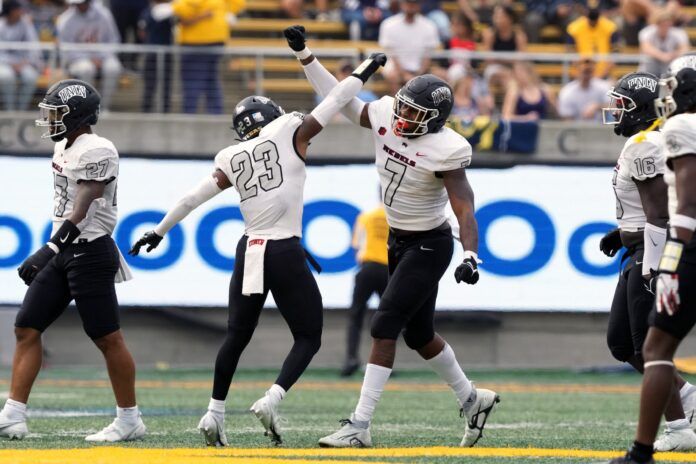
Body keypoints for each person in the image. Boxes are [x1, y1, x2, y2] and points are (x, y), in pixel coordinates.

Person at [129, 53, 386, 447]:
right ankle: (272, 397)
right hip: (282, 248)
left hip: (249, 248)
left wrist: (160, 230)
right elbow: (335, 101)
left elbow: (193, 197)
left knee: (236, 335)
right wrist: (365, 69)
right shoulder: (289, 130)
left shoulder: (230, 156)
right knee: (308, 336)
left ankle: (214, 412)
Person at [285, 25, 499, 449]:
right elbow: (341, 100)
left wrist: (471, 255)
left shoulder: (448, 149)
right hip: (398, 241)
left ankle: (360, 425)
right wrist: (306, 56)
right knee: (419, 336)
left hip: (430, 244)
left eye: (415, 114)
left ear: (435, 120)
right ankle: (473, 399)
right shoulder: (385, 113)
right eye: (402, 107)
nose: (403, 117)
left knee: (384, 324)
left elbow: (464, 206)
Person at [0, 79, 143, 442]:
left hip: (91, 252)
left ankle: (129, 419)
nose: (50, 121)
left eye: (57, 113)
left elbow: (84, 205)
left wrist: (48, 249)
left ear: (78, 115)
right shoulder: (67, 145)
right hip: (65, 250)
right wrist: (54, 249)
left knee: (107, 338)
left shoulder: (98, 148)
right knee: (27, 326)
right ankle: (13, 415)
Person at [600, 71, 696, 453]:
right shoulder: (645, 141)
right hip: (639, 247)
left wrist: (654, 268)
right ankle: (688, 399)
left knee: (646, 348)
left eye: (621, 105)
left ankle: (678, 428)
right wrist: (621, 231)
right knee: (621, 343)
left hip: (650, 253)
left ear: (640, 109)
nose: (614, 112)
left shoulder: (644, 144)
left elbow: (659, 215)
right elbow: (648, 210)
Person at [151, 0, 245, 114]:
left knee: (193, 83)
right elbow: (238, 3)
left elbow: (188, 6)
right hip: (216, 39)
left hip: (197, 42)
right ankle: (215, 114)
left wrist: (174, 8)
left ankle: (190, 115)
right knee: (211, 81)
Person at [341, 203, 389, 377]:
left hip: (368, 268)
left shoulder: (366, 216)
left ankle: (351, 359)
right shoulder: (395, 217)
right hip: (388, 271)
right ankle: (385, 363)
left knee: (356, 316)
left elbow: (357, 245)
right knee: (389, 319)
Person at [56, 0, 122, 112]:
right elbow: (65, 48)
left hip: (103, 56)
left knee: (113, 68)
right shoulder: (65, 19)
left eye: (81, 3)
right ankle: (87, 108)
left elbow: (114, 40)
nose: (79, 6)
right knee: (87, 69)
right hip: (77, 59)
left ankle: (103, 106)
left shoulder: (104, 14)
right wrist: (87, 58)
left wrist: (101, 56)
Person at [378, 0, 440, 95]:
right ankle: (397, 107)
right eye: (408, 2)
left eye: (414, 2)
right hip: (395, 67)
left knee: (442, 76)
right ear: (401, 4)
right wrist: (405, 75)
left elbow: (427, 56)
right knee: (393, 76)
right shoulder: (388, 24)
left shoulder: (429, 26)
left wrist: (418, 75)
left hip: (421, 69)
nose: (411, 5)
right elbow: (392, 55)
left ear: (419, 4)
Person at [0, 0, 42, 111]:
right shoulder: (1, 24)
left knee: (31, 78)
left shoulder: (26, 23)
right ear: (10, 11)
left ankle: (21, 110)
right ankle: (10, 110)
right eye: (17, 9)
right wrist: (10, 63)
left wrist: (27, 61)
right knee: (7, 78)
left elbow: (34, 46)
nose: (20, 12)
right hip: (3, 63)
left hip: (23, 62)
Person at [139, 0, 174, 113]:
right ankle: (146, 109)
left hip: (166, 52)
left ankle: (165, 110)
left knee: (166, 84)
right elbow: (142, 30)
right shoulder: (147, 11)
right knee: (150, 84)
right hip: (152, 52)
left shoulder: (170, 11)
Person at [566, 4, 620, 79]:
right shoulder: (574, 28)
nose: (593, 23)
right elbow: (570, 53)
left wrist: (604, 73)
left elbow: (615, 53)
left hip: (604, 73)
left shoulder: (610, 28)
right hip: (579, 73)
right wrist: (581, 73)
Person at [638, 8, 689, 78]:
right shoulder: (647, 32)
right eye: (663, 24)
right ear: (657, 23)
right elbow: (646, 48)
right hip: (650, 68)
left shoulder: (679, 33)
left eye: (667, 24)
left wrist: (673, 54)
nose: (665, 27)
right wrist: (662, 56)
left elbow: (685, 50)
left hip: (670, 68)